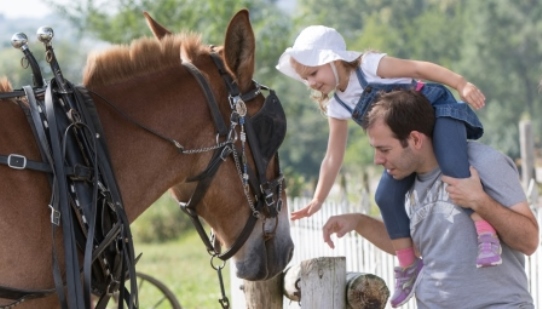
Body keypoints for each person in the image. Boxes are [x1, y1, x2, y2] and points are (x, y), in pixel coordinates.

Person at [276, 25, 496, 306]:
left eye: (313, 73)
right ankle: (408, 264)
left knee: (453, 166)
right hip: (406, 144)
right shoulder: (339, 105)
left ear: (332, 59)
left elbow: (418, 68)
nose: (310, 83)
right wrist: (318, 198)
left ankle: (485, 231)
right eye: (305, 78)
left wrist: (461, 83)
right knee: (384, 196)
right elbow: (333, 156)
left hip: (436, 111)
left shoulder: (369, 66)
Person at [322, 89, 538, 308]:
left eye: (384, 149)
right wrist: (358, 222)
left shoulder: (485, 163)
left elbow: (529, 241)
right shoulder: (404, 183)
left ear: (415, 139)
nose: (378, 159)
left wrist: (479, 200)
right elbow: (418, 247)